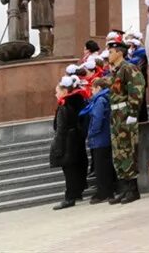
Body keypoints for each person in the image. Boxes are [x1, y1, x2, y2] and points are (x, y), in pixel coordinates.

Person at [107, 33, 145, 204]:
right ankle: (124, 187)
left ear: (119, 53)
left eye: (111, 51)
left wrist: (132, 112)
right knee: (118, 152)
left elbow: (136, 89)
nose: (109, 54)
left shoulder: (128, 68)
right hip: (116, 115)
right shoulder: (115, 71)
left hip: (125, 113)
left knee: (128, 149)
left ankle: (133, 189)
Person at [49, 75, 87, 209]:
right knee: (75, 169)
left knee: (69, 171)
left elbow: (61, 129)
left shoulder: (64, 106)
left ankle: (70, 197)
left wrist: (58, 148)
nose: (55, 94)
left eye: (57, 91)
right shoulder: (76, 102)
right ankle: (76, 192)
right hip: (75, 140)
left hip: (67, 142)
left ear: (65, 92)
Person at [80, 77, 116, 204]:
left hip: (100, 138)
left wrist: (91, 133)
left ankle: (104, 192)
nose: (91, 91)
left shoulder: (100, 100)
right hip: (103, 137)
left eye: (93, 88)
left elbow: (97, 118)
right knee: (104, 166)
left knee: (102, 168)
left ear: (98, 88)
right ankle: (107, 191)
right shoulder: (103, 98)